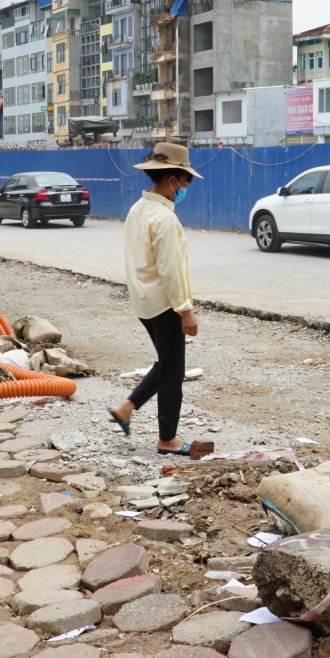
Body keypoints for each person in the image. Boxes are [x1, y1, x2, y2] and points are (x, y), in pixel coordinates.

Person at [107, 143, 211, 457]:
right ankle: (167, 439)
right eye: (184, 183)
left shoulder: (139, 209)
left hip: (144, 301)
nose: (184, 190)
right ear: (171, 181)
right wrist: (186, 311)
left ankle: (126, 408)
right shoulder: (165, 220)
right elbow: (171, 271)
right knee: (173, 373)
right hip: (165, 304)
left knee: (168, 364)